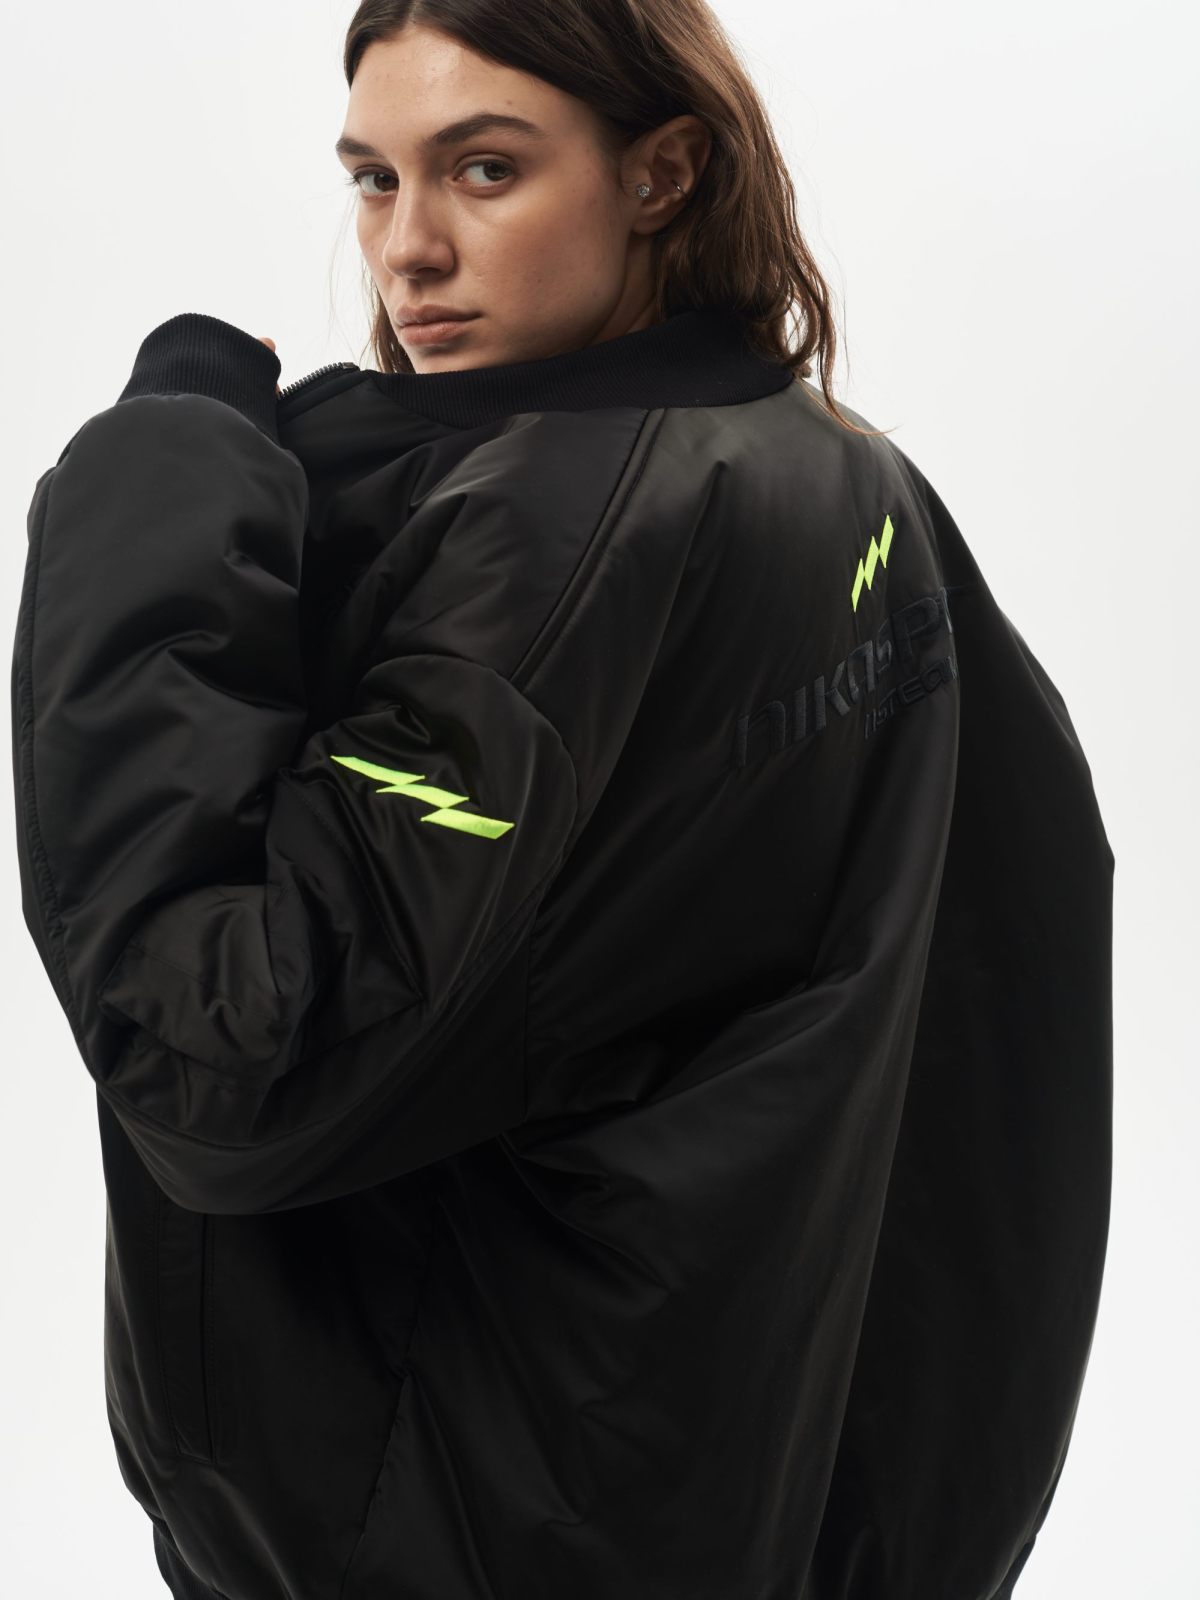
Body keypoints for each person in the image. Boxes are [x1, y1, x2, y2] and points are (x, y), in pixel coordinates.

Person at [10, 3, 1114, 1598]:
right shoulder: (841, 475)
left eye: (484, 169)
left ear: (660, 174)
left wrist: (161, 475)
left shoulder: (542, 533)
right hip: (739, 1481)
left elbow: (228, 1054)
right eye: (374, 179)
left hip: (480, 1519)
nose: (409, 249)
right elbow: (1018, 929)